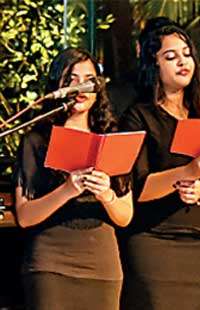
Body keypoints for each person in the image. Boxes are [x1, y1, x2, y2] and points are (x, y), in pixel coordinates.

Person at [119, 21, 200, 310]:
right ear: (154, 65)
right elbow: (138, 187)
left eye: (186, 54)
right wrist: (188, 172)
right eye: (170, 56)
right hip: (158, 246)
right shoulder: (139, 117)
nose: (182, 62)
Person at [13, 48, 134, 310]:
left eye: (89, 79)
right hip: (50, 263)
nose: (81, 87)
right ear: (58, 85)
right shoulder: (38, 141)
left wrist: (106, 195)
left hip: (102, 265)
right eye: (72, 80)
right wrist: (68, 189)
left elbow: (125, 216)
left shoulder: (111, 138)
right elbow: (24, 216)